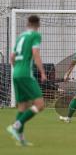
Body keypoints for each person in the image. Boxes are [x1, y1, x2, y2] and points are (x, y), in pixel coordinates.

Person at [7, 15, 47, 146]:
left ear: (27, 23)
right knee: (40, 105)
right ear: (38, 24)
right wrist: (42, 72)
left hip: (16, 73)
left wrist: (18, 69)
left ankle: (21, 139)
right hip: (26, 74)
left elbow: (11, 57)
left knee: (23, 107)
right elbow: (35, 54)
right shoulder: (35, 35)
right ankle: (15, 126)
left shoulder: (20, 37)